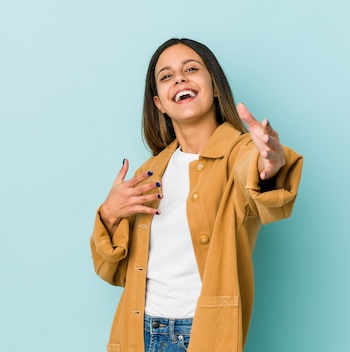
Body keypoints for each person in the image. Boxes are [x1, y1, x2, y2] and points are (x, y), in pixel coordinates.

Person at [89, 38, 303, 352]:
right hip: (139, 332)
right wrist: (109, 214)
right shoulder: (150, 172)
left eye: (191, 69)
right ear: (159, 103)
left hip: (200, 335)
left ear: (215, 87)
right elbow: (116, 272)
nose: (179, 78)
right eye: (166, 76)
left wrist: (269, 161)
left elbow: (254, 173)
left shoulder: (238, 153)